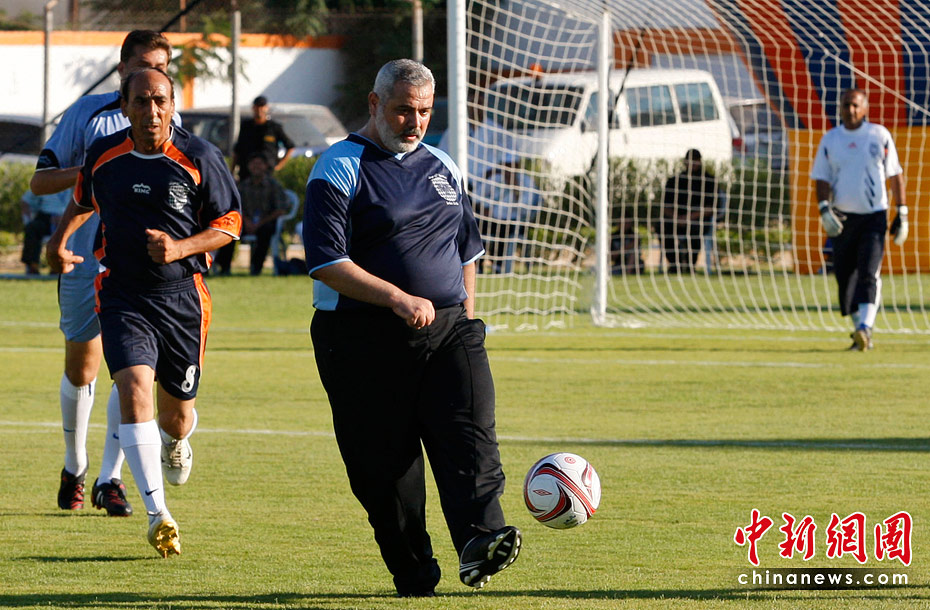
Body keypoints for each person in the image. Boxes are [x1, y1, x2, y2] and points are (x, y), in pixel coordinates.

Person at [302, 59, 521, 597]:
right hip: (360, 339)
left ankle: (482, 541)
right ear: (376, 105)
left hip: (449, 331)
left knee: (470, 436)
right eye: (403, 109)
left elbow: (466, 247)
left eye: (423, 111)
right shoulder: (339, 167)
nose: (414, 121)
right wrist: (398, 299)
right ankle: (415, 573)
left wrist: (465, 311)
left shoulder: (443, 164)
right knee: (387, 473)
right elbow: (326, 261)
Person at [47, 67, 241, 557]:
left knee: (175, 418)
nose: (151, 111)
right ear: (124, 105)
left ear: (173, 105)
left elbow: (230, 223)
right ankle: (159, 515)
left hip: (183, 299)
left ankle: (177, 440)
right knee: (131, 386)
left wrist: (181, 248)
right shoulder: (104, 156)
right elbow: (82, 199)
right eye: (140, 102)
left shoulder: (199, 157)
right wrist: (59, 240)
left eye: (160, 101)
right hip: (121, 294)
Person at [30, 30, 176, 517]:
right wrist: (99, 171)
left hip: (140, 268)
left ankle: (109, 479)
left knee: (131, 370)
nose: (152, 87)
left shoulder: (170, 117)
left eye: (161, 69)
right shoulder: (88, 115)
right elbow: (39, 178)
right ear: (122, 70)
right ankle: (74, 464)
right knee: (83, 366)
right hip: (83, 257)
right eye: (142, 68)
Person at [812, 88, 908, 351]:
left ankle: (865, 327)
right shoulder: (831, 140)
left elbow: (895, 174)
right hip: (842, 217)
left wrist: (902, 212)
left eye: (855, 105)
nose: (851, 110)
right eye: (846, 105)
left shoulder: (879, 135)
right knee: (844, 276)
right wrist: (824, 209)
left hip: (874, 216)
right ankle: (860, 331)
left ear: (865, 108)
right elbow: (821, 177)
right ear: (840, 108)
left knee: (868, 271)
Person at [213, 152, 289, 275]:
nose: (256, 167)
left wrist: (259, 223)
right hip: (245, 222)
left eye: (259, 164)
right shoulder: (243, 186)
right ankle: (224, 266)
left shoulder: (273, 186)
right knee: (229, 230)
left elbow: (280, 210)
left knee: (266, 232)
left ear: (265, 166)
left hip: (265, 222)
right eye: (253, 164)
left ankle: (256, 268)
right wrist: (246, 221)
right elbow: (234, 207)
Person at [473, 157, 541, 274]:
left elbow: (526, 208)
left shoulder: (526, 182)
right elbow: (476, 196)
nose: (509, 170)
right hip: (491, 218)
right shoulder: (495, 179)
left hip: (514, 219)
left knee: (505, 231)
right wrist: (484, 207)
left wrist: (515, 190)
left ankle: (499, 266)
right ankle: (478, 265)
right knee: (478, 229)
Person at [658, 148, 719, 273]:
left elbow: (711, 208)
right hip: (676, 220)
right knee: (662, 226)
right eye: (690, 161)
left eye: (695, 161)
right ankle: (675, 263)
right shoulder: (674, 181)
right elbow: (665, 206)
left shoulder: (709, 181)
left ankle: (691, 264)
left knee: (696, 229)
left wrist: (689, 218)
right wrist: (677, 218)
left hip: (697, 220)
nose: (692, 164)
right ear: (685, 162)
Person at [231, 95, 295, 182]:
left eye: (262, 107)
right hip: (246, 173)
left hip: (267, 172)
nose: (259, 110)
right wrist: (232, 171)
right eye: (257, 107)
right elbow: (238, 149)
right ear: (253, 108)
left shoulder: (274, 127)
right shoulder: (246, 126)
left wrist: (279, 165)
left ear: (266, 108)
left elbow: (290, 146)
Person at [19, 188, 71, 275]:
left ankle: (59, 266)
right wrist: (27, 221)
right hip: (45, 217)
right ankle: (32, 265)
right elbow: (25, 201)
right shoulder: (46, 181)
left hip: (68, 217)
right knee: (32, 228)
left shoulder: (75, 182)